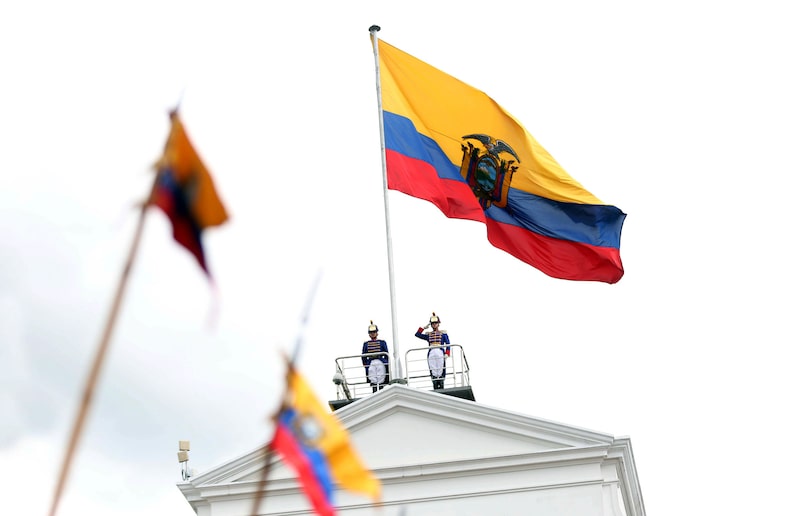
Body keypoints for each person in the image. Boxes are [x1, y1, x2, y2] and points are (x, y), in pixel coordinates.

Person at [414, 312, 451, 390]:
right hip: (431, 352)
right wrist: (424, 327)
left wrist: (447, 353)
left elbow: (448, 344)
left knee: (441, 368)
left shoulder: (443, 334)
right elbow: (417, 334)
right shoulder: (429, 334)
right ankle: (434, 382)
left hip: (440, 351)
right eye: (432, 323)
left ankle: (441, 383)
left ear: (438, 324)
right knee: (433, 369)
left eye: (435, 323)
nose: (434, 325)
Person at [362, 321, 389, 393]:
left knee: (381, 375)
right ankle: (374, 391)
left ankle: (381, 390)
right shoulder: (366, 344)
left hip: (380, 361)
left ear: (377, 333)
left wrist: (386, 363)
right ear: (369, 334)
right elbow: (363, 354)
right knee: (372, 375)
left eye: (374, 332)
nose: (373, 333)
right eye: (371, 332)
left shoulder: (382, 342)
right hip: (371, 361)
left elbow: (386, 353)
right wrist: (365, 363)